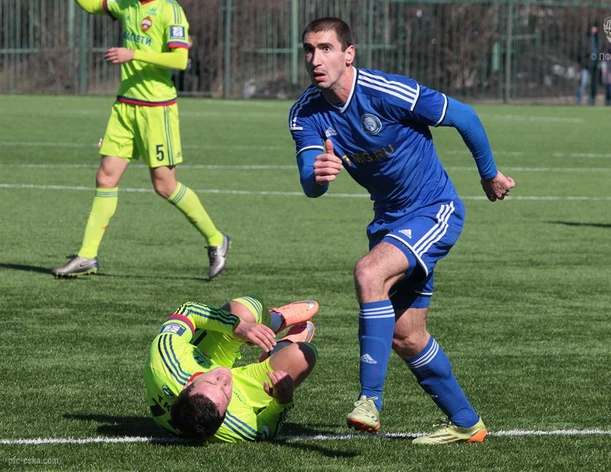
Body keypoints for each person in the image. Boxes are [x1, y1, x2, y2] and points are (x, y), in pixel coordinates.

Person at [289, 17, 515, 445]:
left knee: (368, 273)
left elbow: (464, 116)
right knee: (406, 335)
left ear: (349, 54)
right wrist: (317, 175)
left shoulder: (386, 91)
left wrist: (489, 174)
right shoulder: (306, 113)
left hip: (434, 209)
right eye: (308, 50)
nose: (315, 59)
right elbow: (310, 182)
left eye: (326, 48)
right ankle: (466, 423)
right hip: (388, 221)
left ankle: (369, 401)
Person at [52, 0, 229, 280]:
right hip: (125, 107)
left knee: (165, 186)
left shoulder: (170, 10)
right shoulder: (127, 4)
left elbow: (179, 60)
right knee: (106, 177)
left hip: (157, 110)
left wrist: (133, 54)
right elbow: (91, 5)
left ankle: (216, 239)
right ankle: (87, 256)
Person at [145, 297, 319, 442]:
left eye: (211, 382)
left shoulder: (166, 357)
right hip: (241, 392)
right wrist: (282, 402)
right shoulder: (235, 425)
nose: (223, 378)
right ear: (225, 415)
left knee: (243, 312)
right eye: (225, 392)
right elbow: (267, 429)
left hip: (203, 354)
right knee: (304, 356)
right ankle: (276, 349)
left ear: (187, 384)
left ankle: (274, 321)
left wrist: (238, 326)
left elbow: (188, 310)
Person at [576, 22, 601, 106]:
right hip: (586, 65)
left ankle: (591, 101)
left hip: (595, 65)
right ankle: (579, 100)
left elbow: (601, 50)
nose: (594, 29)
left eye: (595, 27)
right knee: (582, 83)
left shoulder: (598, 39)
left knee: (593, 85)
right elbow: (580, 51)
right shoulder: (585, 38)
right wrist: (585, 58)